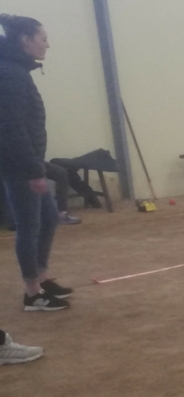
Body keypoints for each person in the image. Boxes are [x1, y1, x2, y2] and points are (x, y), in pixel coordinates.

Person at [0, 14, 72, 312]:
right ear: (25, 40)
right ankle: (32, 293)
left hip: (29, 161)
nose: (47, 45)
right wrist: (32, 170)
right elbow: (11, 127)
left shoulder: (15, 70)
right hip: (20, 165)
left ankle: (41, 278)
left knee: (50, 218)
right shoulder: (10, 74)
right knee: (29, 226)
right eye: (43, 39)